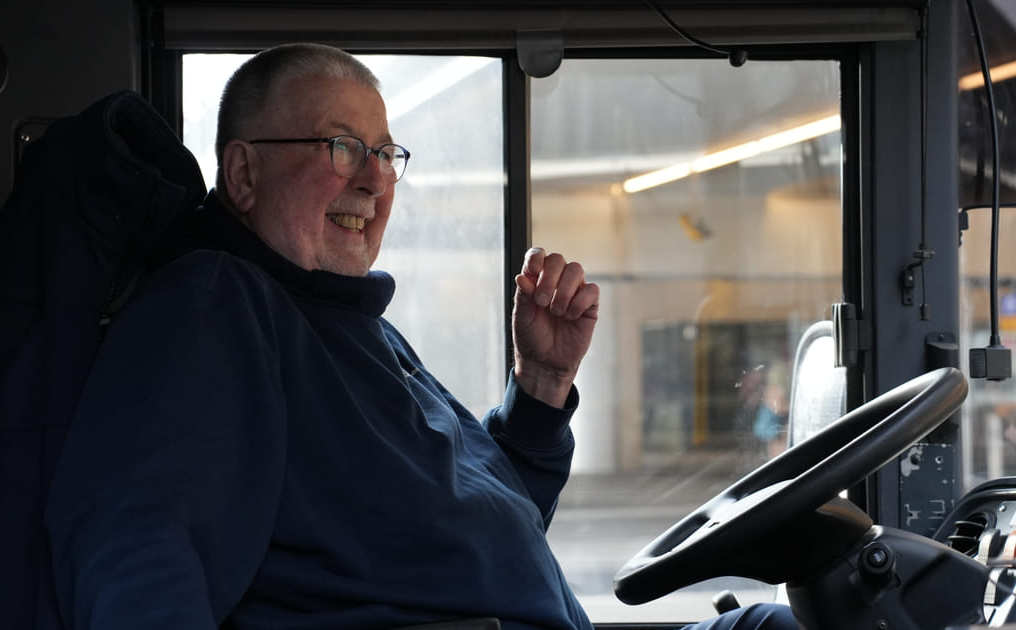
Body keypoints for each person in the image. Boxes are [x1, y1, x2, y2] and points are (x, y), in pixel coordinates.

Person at [44, 43, 799, 630]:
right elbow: (133, 543)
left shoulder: (358, 329)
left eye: (384, 152)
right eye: (340, 146)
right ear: (243, 175)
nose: (374, 180)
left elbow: (476, 529)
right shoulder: (216, 306)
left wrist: (540, 386)